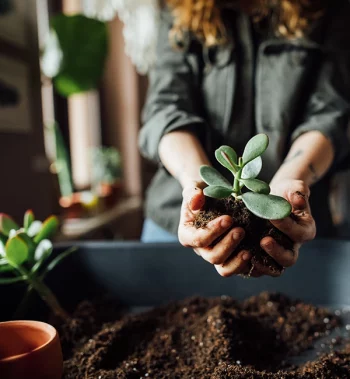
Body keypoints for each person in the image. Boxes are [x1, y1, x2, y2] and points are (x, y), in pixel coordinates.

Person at [138, 0, 350, 277]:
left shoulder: (327, 9)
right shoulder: (179, 7)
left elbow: (330, 115)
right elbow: (165, 109)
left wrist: (293, 177)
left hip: (290, 223)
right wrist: (195, 184)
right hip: (172, 220)